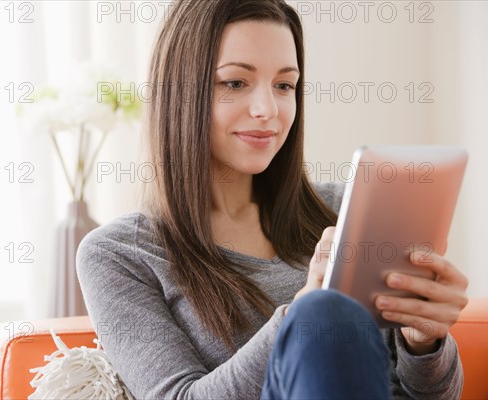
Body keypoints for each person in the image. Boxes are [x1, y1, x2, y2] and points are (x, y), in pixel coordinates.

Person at [77, 0, 468, 398]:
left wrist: (424, 342)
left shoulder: (344, 211)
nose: (268, 110)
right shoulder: (120, 253)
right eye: (234, 83)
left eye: (284, 85)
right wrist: (302, 316)